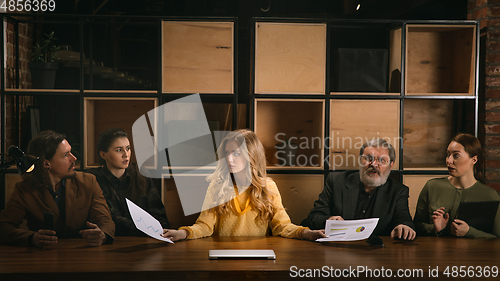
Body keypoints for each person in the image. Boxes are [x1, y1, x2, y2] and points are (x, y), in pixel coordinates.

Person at [162, 129, 326, 241]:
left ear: (252, 156)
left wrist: (306, 233)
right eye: (227, 153)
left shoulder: (268, 187)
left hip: (258, 256)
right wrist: (183, 233)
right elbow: (204, 226)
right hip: (223, 255)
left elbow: (282, 226)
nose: (229, 159)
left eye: (236, 153)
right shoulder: (217, 186)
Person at [0, 130, 115, 247]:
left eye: (71, 152)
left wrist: (103, 235)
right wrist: (31, 238)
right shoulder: (25, 190)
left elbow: (106, 221)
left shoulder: (88, 182)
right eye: (66, 155)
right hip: (41, 257)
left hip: (81, 251)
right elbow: (4, 227)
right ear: (46, 164)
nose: (74, 158)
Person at [301, 138, 416, 240]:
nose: (374, 164)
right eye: (369, 158)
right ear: (360, 160)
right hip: (338, 250)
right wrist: (330, 220)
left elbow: (403, 219)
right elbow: (313, 219)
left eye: (382, 160)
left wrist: (403, 226)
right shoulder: (336, 181)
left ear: (391, 165)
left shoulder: (398, 191)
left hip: (378, 254)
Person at [86, 128, 170, 236]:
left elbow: (159, 215)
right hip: (113, 239)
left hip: (145, 241)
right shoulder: (94, 179)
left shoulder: (141, 175)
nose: (126, 154)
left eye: (128, 148)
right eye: (119, 150)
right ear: (103, 155)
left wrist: (161, 231)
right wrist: (148, 230)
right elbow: (110, 218)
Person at [414, 133, 500, 237]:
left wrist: (469, 232)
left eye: (456, 155)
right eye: (448, 154)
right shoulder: (432, 186)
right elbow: (416, 226)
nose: (448, 161)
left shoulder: (490, 196)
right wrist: (435, 229)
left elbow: (496, 239)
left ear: (474, 159)